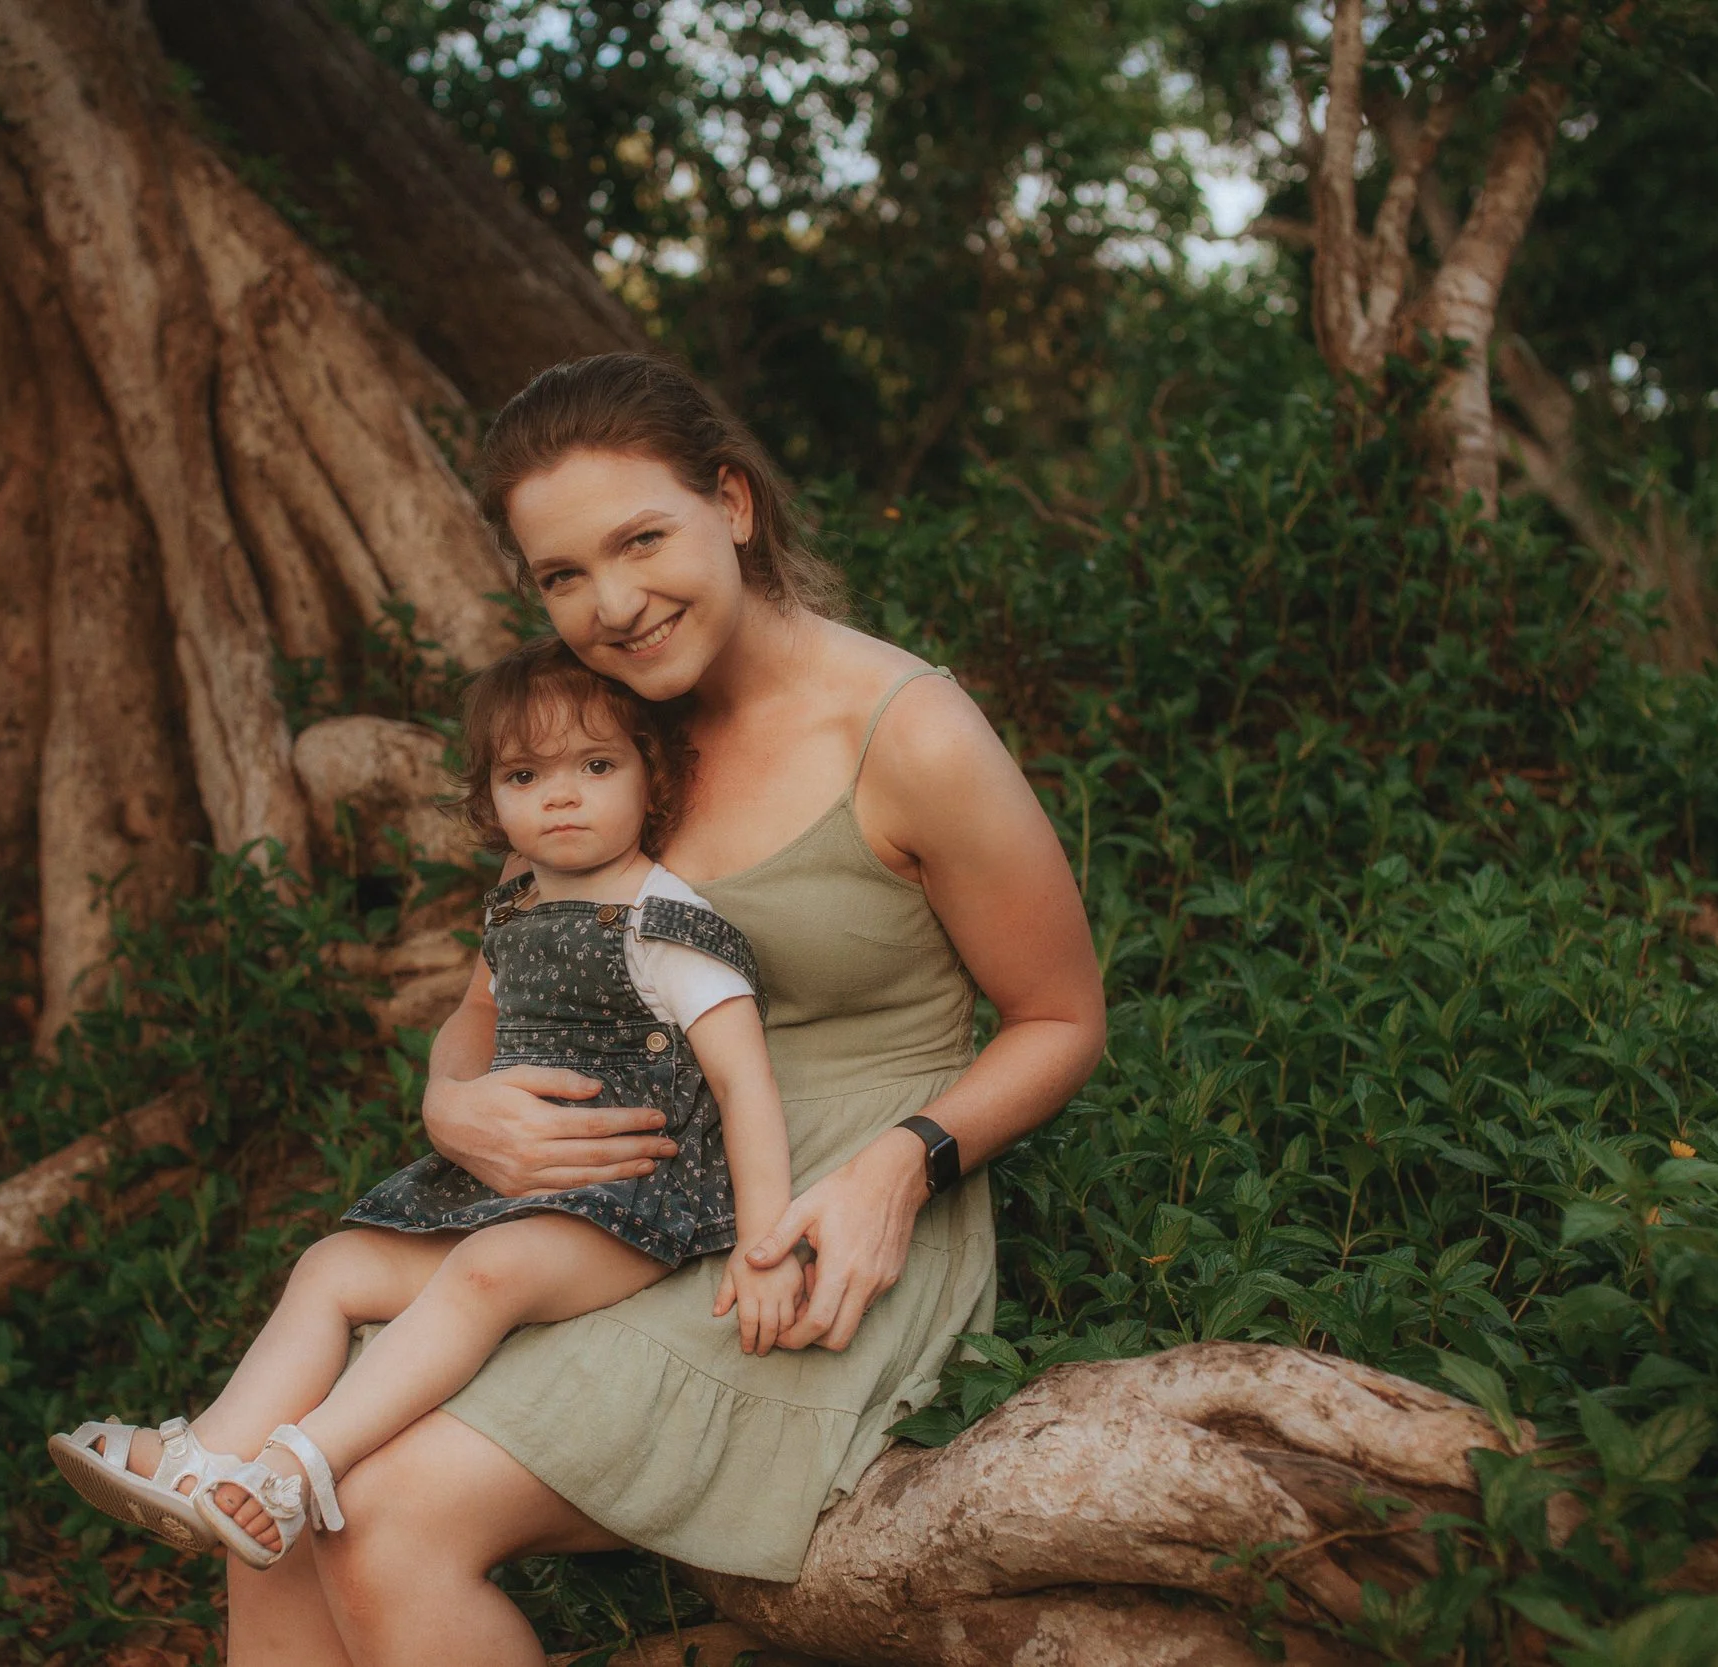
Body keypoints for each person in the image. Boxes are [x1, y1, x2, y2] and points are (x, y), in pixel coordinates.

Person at [101, 352, 1105, 1667]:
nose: (613, 604)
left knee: (380, 1512)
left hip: (815, 1228)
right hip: (621, 1201)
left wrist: (900, 1168)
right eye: (564, 575)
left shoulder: (906, 730)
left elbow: (1061, 1019)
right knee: (274, 1511)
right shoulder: (602, 742)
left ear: (733, 505)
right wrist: (451, 1104)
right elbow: (490, 984)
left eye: (643, 540)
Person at [47, 637, 806, 1567]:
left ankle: (301, 1465)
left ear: (654, 780)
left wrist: (767, 1248)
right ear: (489, 800)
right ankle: (208, 1455)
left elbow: (744, 1081)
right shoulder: (518, 897)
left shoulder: (664, 921)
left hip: (632, 1201)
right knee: (332, 1266)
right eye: (526, 774)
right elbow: (476, 1010)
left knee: (488, 1271)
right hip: (509, 1184)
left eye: (596, 766)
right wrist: (454, 1090)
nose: (561, 795)